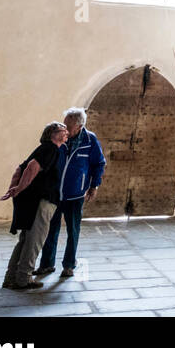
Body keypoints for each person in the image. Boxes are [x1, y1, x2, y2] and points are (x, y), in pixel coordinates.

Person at [36, 107, 106, 279]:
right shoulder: (60, 137)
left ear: (80, 126)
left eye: (69, 126)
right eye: (64, 124)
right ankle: (46, 264)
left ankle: (69, 265)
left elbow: (99, 163)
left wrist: (94, 186)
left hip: (75, 194)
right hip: (54, 193)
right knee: (50, 229)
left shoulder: (90, 140)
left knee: (73, 231)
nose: (65, 129)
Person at [1, 122, 67, 290]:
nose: (66, 132)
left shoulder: (43, 148)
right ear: (52, 134)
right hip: (41, 201)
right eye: (62, 130)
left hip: (31, 201)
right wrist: (19, 188)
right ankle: (23, 279)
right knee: (34, 242)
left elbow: (19, 169)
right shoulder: (51, 148)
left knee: (25, 241)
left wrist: (14, 189)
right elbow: (31, 168)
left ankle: (10, 277)